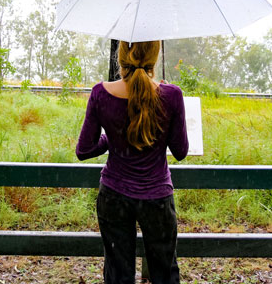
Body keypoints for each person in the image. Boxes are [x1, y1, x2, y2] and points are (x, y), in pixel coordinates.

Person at [76, 40, 189, 284]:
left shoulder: (100, 93)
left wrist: (110, 138)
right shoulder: (172, 95)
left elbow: (84, 150)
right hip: (157, 198)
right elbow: (180, 151)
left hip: (114, 196)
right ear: (155, 55)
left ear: (121, 55)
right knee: (164, 273)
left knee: (118, 273)